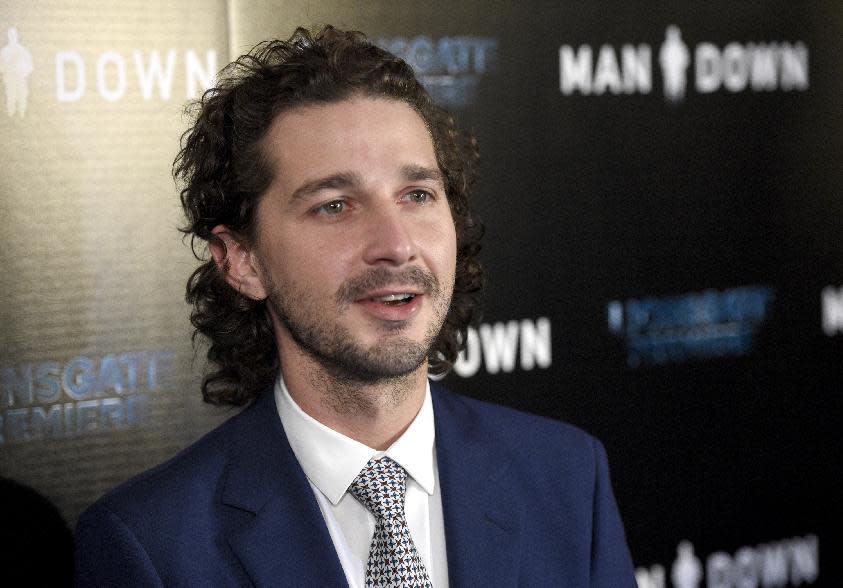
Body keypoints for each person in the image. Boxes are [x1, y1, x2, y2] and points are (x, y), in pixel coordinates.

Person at [75, 25, 636, 587]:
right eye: (335, 205)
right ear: (242, 260)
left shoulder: (567, 479)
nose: (395, 244)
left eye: (417, 196)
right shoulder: (151, 548)